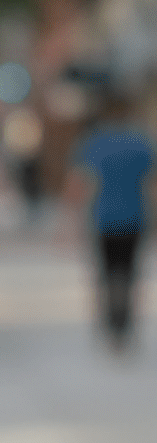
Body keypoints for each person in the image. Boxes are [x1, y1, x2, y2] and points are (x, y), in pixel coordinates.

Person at [72, 92, 154, 346]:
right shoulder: (142, 143)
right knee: (128, 273)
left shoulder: (95, 143)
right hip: (134, 218)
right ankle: (123, 323)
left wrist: (69, 222)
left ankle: (110, 323)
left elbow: (80, 184)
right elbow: (152, 185)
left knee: (106, 272)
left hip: (104, 218)